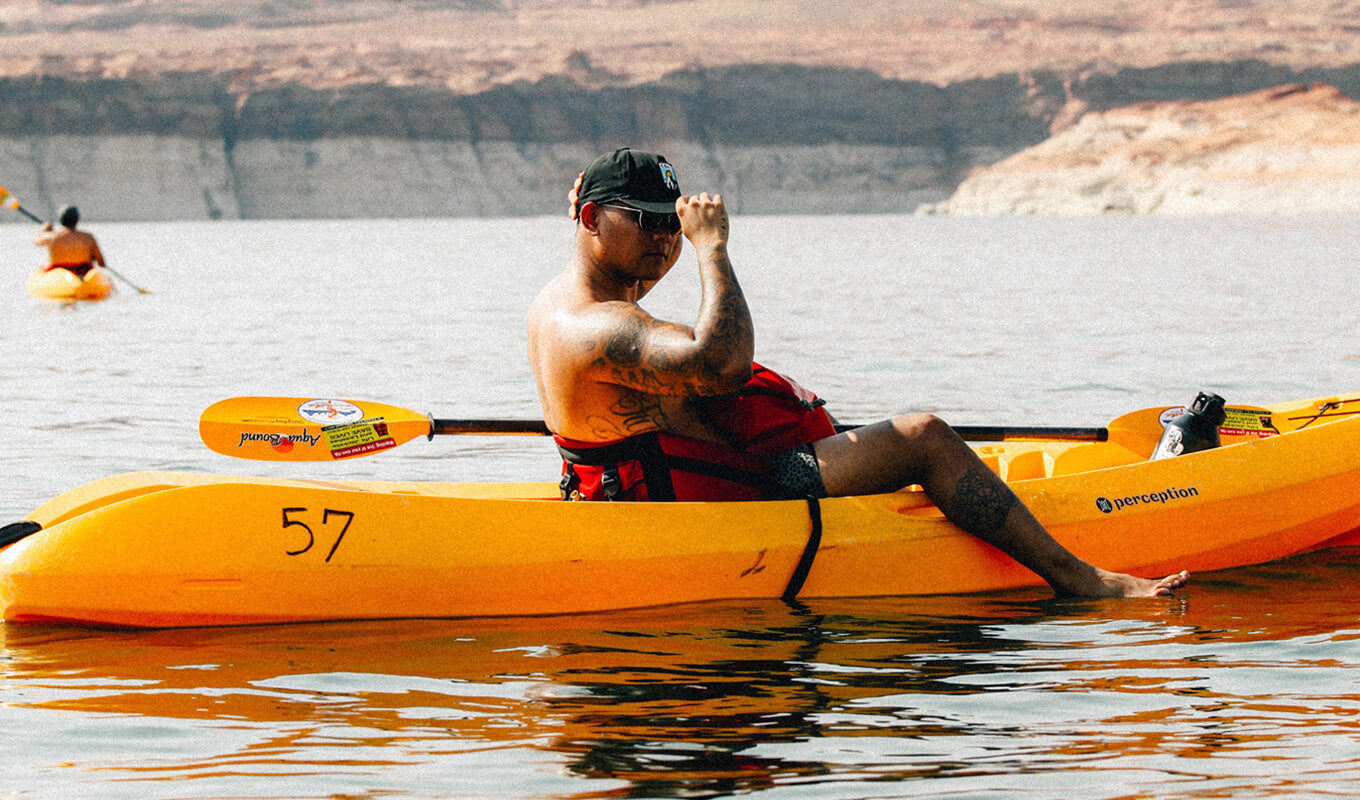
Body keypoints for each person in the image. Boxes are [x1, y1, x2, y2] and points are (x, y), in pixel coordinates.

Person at [526, 148, 1189, 598]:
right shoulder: (596, 327)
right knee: (924, 434)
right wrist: (713, 248)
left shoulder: (566, 303)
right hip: (692, 508)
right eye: (645, 222)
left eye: (674, 224)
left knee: (851, 432)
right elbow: (721, 366)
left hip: (651, 487)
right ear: (591, 219)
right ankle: (1087, 582)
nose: (666, 239)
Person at [35, 205, 106, 278]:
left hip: (58, 276)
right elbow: (101, 263)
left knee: (45, 265)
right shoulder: (88, 238)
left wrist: (45, 229)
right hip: (82, 276)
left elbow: (37, 240)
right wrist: (91, 256)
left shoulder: (50, 237)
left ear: (61, 220)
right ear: (77, 220)